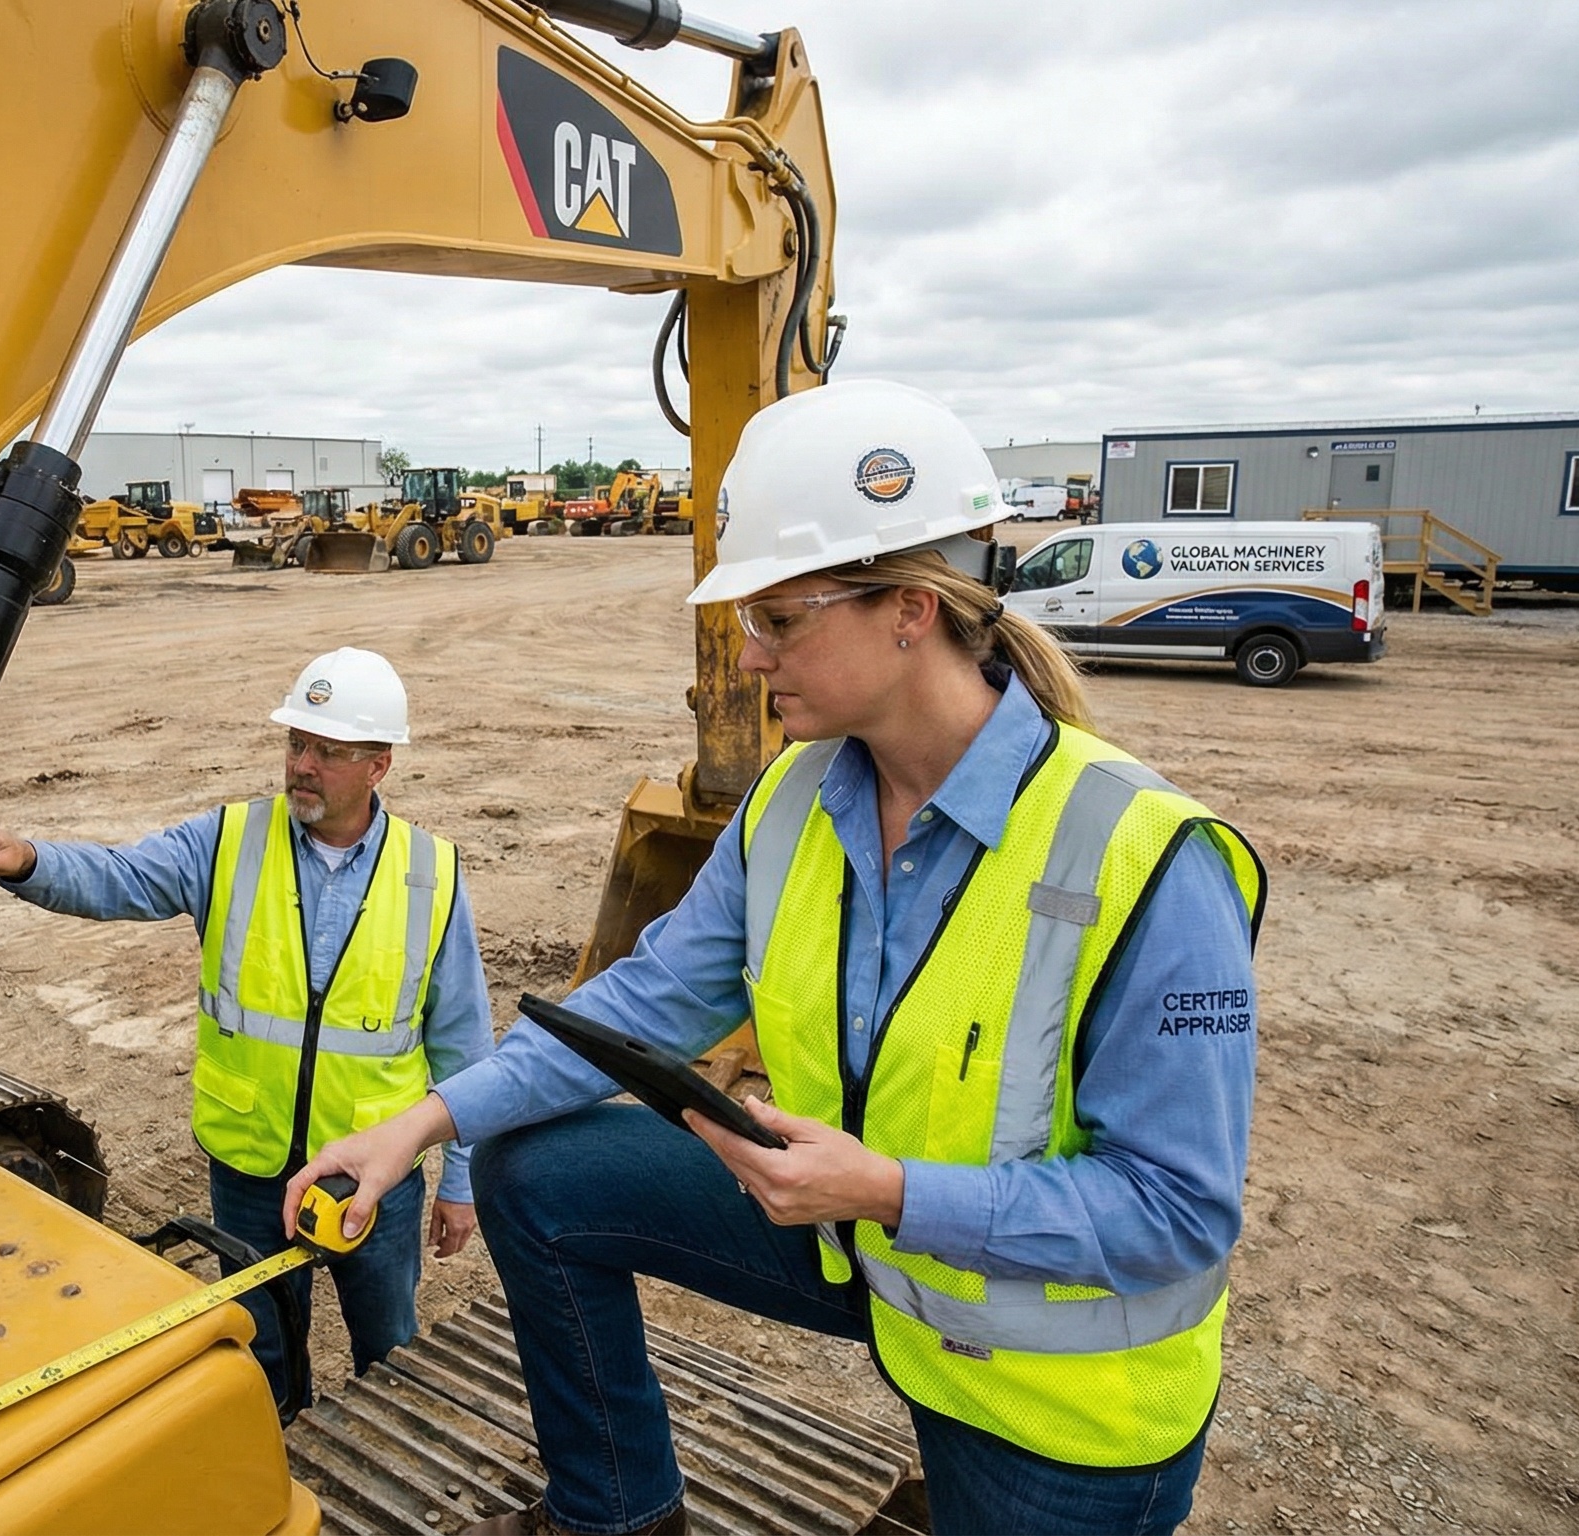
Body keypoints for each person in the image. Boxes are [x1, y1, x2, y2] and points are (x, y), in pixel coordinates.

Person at [285, 382, 1265, 1536]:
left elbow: (1174, 1215)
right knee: (535, 1170)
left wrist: (886, 1191)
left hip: (1054, 1393)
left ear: (909, 610)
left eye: (780, 620)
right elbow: (648, 1001)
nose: (747, 658)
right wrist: (420, 1125)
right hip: (864, 1244)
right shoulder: (795, 799)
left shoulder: (1147, 859)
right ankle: (618, 1513)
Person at [0, 645, 492, 1419]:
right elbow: (121, 877)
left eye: (328, 751)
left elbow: (464, 1042)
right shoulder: (230, 839)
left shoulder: (430, 871)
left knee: (389, 1348)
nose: (302, 764)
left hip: (373, 1174)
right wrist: (28, 859)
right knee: (262, 1350)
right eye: (296, 742)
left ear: (379, 765)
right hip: (251, 1163)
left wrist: (462, 1182)